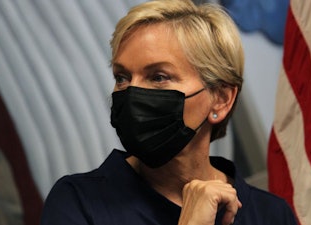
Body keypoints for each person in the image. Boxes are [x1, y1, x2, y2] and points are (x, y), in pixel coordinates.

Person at [40, 0, 297, 224]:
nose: (131, 92)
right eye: (122, 77)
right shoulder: (77, 203)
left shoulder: (270, 214)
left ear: (220, 99)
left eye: (159, 76)